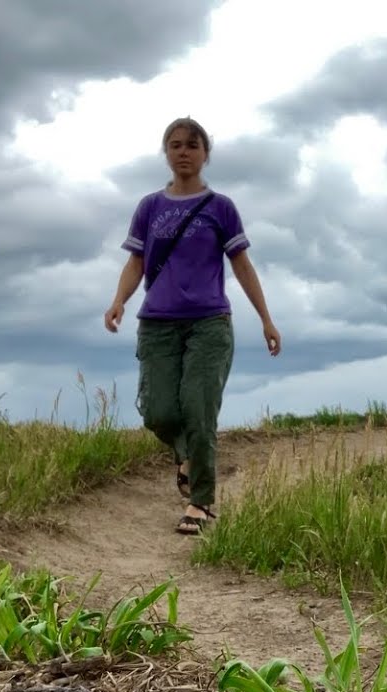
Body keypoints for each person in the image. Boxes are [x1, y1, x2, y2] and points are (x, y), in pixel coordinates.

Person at [104, 116, 281, 536]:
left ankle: (199, 502)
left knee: (199, 411)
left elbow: (241, 264)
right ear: (166, 152)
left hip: (209, 322)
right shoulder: (150, 207)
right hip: (157, 323)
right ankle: (186, 456)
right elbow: (136, 262)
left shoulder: (221, 208)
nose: (184, 151)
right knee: (158, 411)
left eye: (193, 145)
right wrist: (118, 301)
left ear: (205, 154)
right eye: (176, 144)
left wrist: (266, 318)